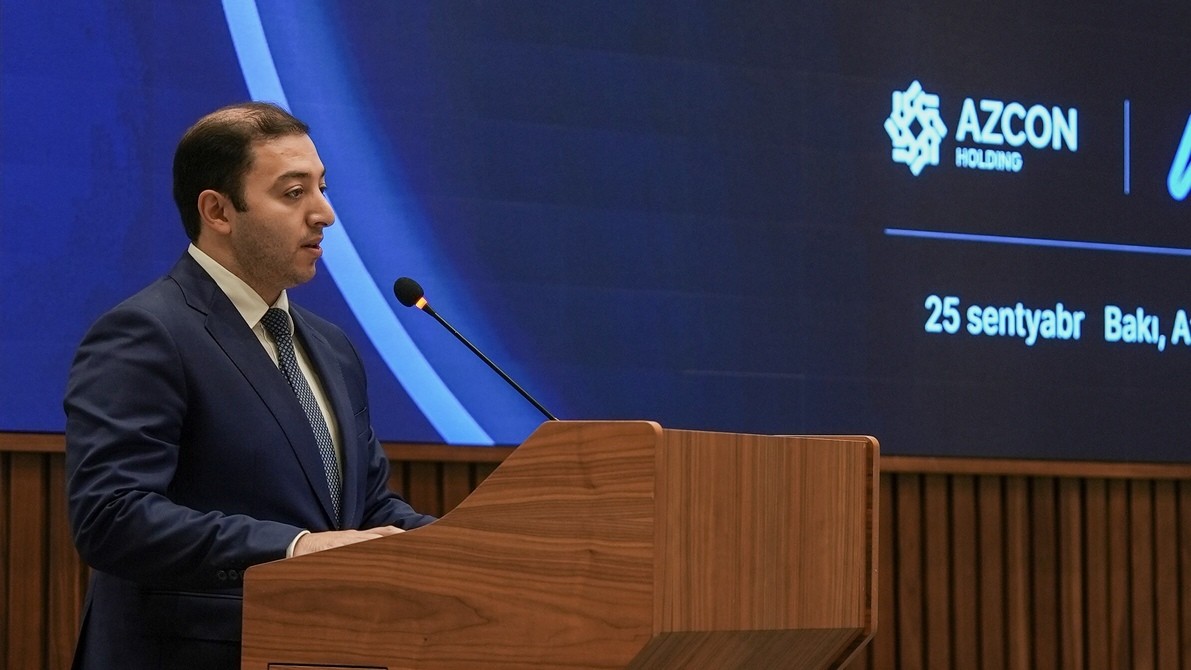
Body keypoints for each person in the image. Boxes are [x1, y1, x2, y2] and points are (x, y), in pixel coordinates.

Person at [64, 101, 435, 670]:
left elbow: (367, 507)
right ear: (217, 210)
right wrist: (295, 547)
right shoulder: (147, 332)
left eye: (322, 188)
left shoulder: (330, 345)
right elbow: (112, 516)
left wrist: (469, 548)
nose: (325, 214)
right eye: (294, 193)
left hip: (321, 649)